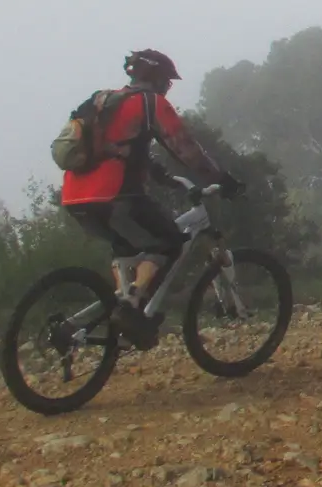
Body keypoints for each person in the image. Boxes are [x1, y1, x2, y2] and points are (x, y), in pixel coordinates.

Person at [60, 49, 242, 345]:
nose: (168, 87)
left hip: (76, 198)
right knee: (170, 241)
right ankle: (130, 308)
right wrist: (222, 179)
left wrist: (163, 178)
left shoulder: (102, 102)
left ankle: (120, 303)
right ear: (155, 78)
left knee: (126, 249)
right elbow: (184, 148)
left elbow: (120, 150)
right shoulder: (150, 103)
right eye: (167, 81)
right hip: (116, 196)